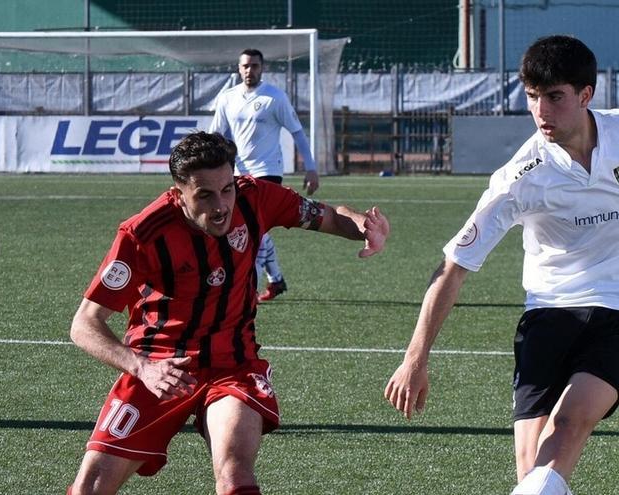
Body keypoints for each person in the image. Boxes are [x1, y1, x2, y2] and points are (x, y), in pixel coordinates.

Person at [383, 35, 619, 495]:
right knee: (532, 471)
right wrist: (415, 358)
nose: (541, 112)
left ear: (585, 94)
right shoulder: (519, 178)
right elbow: (453, 267)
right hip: (550, 310)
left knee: (569, 423)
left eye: (554, 97)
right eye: (533, 97)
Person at [68, 131, 388, 495]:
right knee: (88, 488)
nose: (220, 205)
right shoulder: (143, 234)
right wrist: (142, 366)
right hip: (160, 366)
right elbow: (84, 325)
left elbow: (328, 216)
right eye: (204, 195)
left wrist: (365, 226)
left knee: (235, 476)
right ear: (178, 194)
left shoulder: (255, 198)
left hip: (232, 365)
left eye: (226, 189)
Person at [209, 48, 320, 302]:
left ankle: (250, 288)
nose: (250, 70)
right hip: (239, 172)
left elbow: (297, 133)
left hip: (268, 172)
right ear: (239, 68)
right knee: (258, 230)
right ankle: (277, 280)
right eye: (246, 66)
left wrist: (311, 167)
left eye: (255, 66)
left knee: (253, 229)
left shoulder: (274, 97)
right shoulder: (227, 98)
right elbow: (216, 134)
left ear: (263, 68)